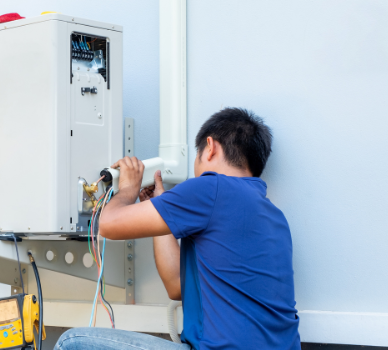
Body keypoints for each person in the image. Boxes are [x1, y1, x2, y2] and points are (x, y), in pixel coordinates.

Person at [54, 108, 300, 350]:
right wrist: (157, 208)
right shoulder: (274, 218)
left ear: (210, 147)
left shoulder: (210, 188)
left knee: (71, 343)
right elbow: (176, 287)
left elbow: (108, 225)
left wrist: (128, 187)